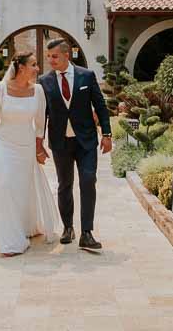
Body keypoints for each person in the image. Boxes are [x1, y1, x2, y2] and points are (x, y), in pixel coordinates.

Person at [0, 52, 60, 256]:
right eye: (34, 64)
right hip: (3, 143)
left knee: (21, 188)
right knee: (5, 186)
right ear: (21, 67)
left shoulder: (37, 90)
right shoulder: (1, 88)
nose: (38, 68)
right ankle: (10, 241)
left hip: (26, 145)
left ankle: (25, 225)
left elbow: (39, 124)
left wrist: (39, 147)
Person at [39, 38, 112, 250]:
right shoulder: (45, 81)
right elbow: (41, 115)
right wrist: (39, 143)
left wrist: (106, 134)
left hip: (86, 140)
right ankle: (68, 227)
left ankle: (87, 232)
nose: (50, 60)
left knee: (88, 180)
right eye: (48, 57)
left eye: (54, 56)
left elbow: (100, 105)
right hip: (60, 142)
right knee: (64, 185)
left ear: (66, 55)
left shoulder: (86, 76)